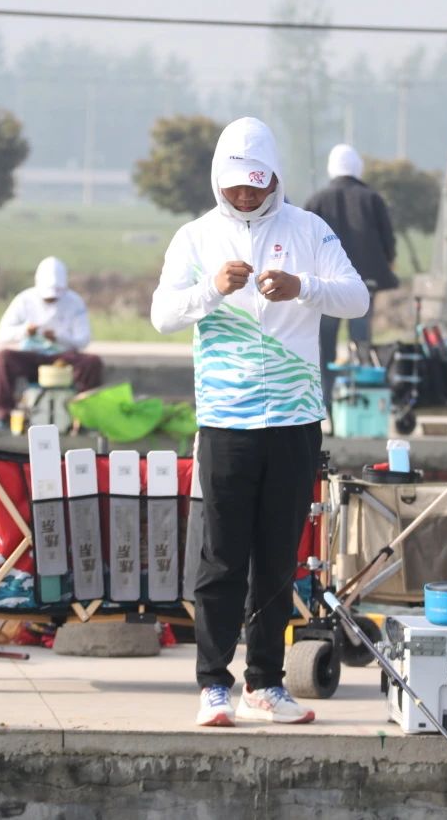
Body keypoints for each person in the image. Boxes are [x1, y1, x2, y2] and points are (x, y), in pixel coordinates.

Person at [150, 117, 368, 727]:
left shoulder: (309, 229)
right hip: (226, 420)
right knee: (222, 556)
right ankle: (212, 684)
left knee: (277, 557)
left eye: (256, 183)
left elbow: (357, 297)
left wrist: (304, 287)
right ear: (218, 180)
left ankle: (266, 682)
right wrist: (211, 290)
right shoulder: (195, 237)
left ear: (274, 177)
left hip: (296, 419)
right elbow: (163, 315)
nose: (246, 195)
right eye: (235, 185)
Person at [303, 144, 398, 418]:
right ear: (358, 167)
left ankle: (326, 402)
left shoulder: (317, 200)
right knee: (360, 345)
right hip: (364, 286)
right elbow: (388, 242)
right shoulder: (372, 199)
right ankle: (358, 402)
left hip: (326, 286)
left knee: (325, 346)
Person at [0, 256, 103, 432]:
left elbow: (83, 340)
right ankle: (3, 417)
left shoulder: (74, 302)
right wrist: (25, 331)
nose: (51, 300)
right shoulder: (24, 300)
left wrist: (58, 338)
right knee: (4, 358)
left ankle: (86, 419)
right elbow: (2, 334)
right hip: (32, 356)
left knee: (92, 362)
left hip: (62, 359)